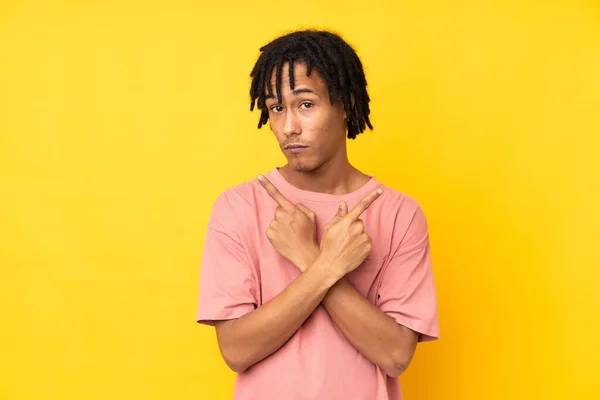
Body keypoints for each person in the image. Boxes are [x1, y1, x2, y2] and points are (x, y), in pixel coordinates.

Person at [196, 29, 439, 400]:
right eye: (277, 108)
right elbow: (236, 350)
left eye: (306, 104)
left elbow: (394, 355)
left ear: (347, 104)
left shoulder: (399, 214)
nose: (288, 127)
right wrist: (325, 266)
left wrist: (307, 255)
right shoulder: (237, 207)